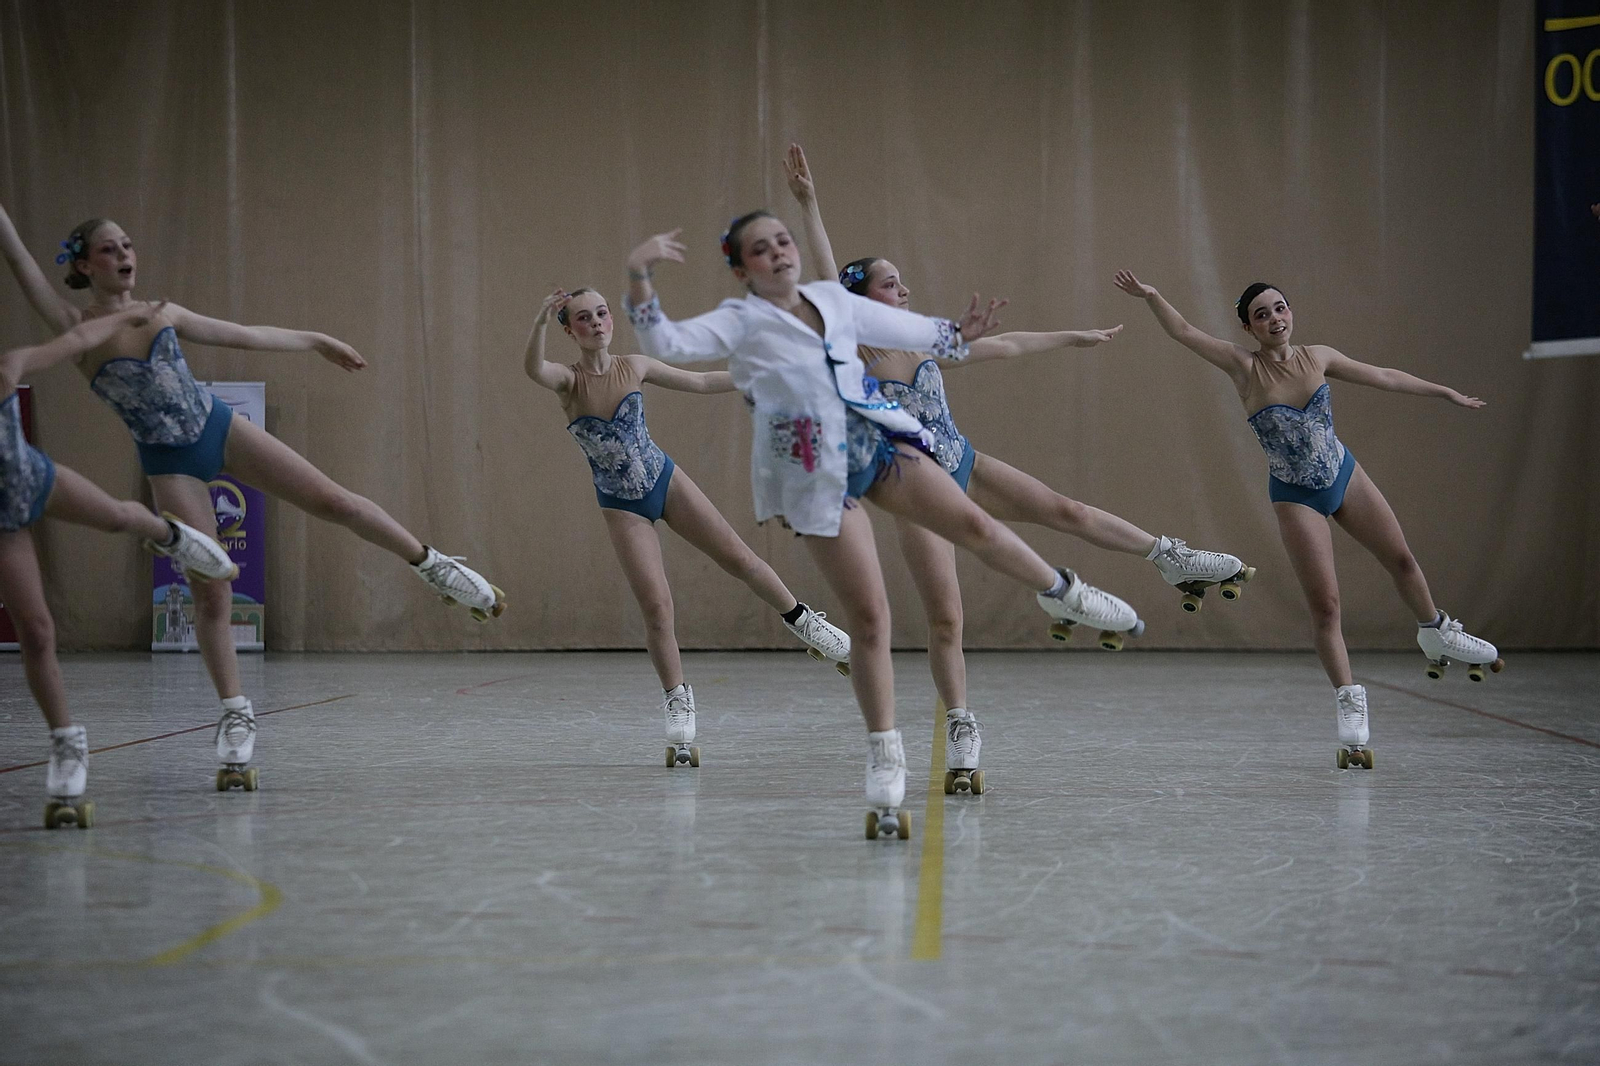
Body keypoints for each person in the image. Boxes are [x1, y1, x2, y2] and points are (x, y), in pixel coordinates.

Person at [623, 214, 1140, 839]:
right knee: (870, 620)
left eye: (784, 241)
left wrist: (954, 334)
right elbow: (666, 345)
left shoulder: (832, 302)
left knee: (974, 524)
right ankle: (884, 756)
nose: (780, 254)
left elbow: (906, 327)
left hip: (874, 442)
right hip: (813, 473)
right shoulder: (741, 321)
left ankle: (1066, 594)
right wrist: (639, 274)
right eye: (761, 250)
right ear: (741, 269)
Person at [784, 143, 1249, 793]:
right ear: (863, 296)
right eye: (892, 283)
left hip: (961, 460)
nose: (906, 290)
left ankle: (1170, 556)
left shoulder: (920, 340)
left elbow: (1001, 345)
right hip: (911, 485)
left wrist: (1072, 337)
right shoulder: (854, 347)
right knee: (948, 619)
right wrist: (809, 204)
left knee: (1066, 509)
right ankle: (963, 726)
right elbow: (831, 282)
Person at [0, 204, 506, 790]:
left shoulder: (163, 313)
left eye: (128, 246)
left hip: (219, 428)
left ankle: (432, 564)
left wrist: (315, 340)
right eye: (109, 249)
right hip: (168, 462)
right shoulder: (71, 327)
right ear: (84, 264)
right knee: (213, 590)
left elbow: (244, 335)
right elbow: (16, 257)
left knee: (334, 501)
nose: (124, 256)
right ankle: (236, 712)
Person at [1113, 270, 1502, 767]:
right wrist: (1152, 297)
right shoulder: (1243, 368)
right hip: (1295, 494)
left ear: (1289, 312)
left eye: (1280, 308)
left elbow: (1383, 375)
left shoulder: (1319, 356)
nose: (1275, 318)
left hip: (1343, 472)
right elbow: (1185, 332)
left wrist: (1443, 391)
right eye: (1261, 314)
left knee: (1402, 560)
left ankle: (1435, 629)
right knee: (1327, 608)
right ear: (1248, 328)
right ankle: (1349, 702)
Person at [523, 286, 852, 766]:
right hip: (621, 505)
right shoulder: (567, 382)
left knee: (739, 557)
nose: (596, 323)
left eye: (601, 313)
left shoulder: (634, 366)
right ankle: (677, 699)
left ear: (611, 320)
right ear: (569, 330)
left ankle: (803, 621)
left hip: (665, 479)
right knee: (657, 606)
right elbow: (533, 368)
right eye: (583, 318)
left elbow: (698, 383)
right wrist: (536, 322)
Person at [1, 303, 238, 826]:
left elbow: (78, 335)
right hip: (2, 519)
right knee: (37, 631)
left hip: (29, 478)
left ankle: (172, 534)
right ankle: (67, 744)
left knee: (114, 516)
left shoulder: (9, 366)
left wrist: (127, 316)